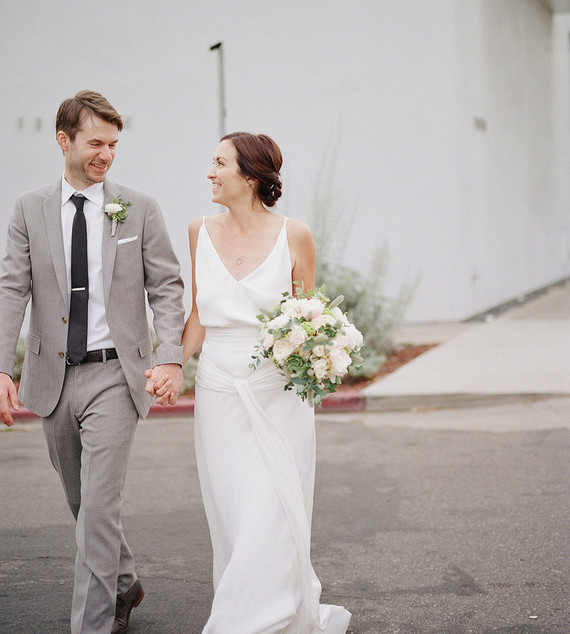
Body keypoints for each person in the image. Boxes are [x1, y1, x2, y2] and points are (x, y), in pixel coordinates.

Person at [0, 91, 185, 634]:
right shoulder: (29, 209)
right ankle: (125, 584)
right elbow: (12, 289)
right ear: (65, 141)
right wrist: (2, 368)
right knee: (83, 504)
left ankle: (93, 625)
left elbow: (166, 286)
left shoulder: (139, 207)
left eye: (114, 144)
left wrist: (171, 358)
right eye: (96, 143)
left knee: (100, 508)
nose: (107, 154)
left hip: (116, 374)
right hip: (52, 376)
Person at [178, 132, 351, 633]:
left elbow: (308, 316)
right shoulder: (198, 231)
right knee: (234, 508)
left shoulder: (294, 234)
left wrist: (321, 357)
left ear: (250, 176)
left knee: (269, 506)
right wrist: (168, 365)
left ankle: (253, 621)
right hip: (217, 389)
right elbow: (198, 315)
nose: (210, 173)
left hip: (278, 391)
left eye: (220, 163)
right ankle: (256, 604)